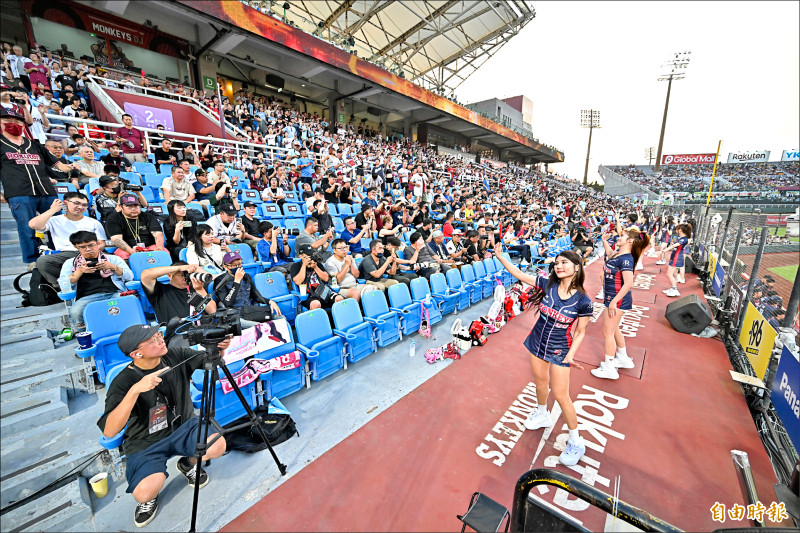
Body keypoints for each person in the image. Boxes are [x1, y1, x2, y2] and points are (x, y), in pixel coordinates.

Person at [97, 324, 230, 528]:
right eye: (152, 340)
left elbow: (210, 363)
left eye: (158, 335)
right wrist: (134, 391)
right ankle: (150, 498)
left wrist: (219, 348)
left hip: (183, 425)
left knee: (217, 445)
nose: (160, 339)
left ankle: (188, 463)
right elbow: (110, 430)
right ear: (137, 353)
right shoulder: (123, 381)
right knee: (144, 492)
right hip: (146, 441)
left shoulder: (175, 354)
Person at [495, 248, 593, 467]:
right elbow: (520, 275)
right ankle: (542, 414)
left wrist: (571, 354)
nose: (559, 266)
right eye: (557, 263)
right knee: (540, 381)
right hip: (537, 341)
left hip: (560, 349)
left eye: (564, 263)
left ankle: (576, 441)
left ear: (576, 267)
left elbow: (580, 331)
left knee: (561, 394)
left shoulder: (583, 301)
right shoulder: (547, 284)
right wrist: (501, 257)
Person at [1, 107, 74, 269]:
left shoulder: (34, 145)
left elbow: (59, 165)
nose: (13, 124)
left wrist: (72, 167)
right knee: (26, 227)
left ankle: (61, 252)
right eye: (8, 121)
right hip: (19, 192)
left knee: (56, 223)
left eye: (17, 121)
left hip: (46, 191)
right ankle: (32, 259)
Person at [591, 226, 649, 380]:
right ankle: (622, 358)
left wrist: (614, 302)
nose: (618, 237)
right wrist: (604, 241)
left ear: (629, 241)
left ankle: (609, 367)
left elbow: (629, 283)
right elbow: (610, 255)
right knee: (614, 329)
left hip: (617, 299)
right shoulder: (619, 254)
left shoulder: (626, 259)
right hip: (612, 297)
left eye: (622, 235)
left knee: (607, 332)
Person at [58, 230, 133, 328]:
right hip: (86, 297)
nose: (88, 249)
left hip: (114, 293)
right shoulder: (70, 263)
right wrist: (79, 271)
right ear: (76, 247)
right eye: (82, 247)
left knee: (130, 302)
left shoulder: (113, 259)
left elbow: (129, 277)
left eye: (91, 245)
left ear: (98, 243)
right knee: (75, 312)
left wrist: (113, 267)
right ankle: (86, 337)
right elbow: (64, 284)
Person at [28, 192, 107, 285]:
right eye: (76, 203)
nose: (81, 207)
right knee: (43, 261)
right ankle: (62, 286)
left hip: (89, 251)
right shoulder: (54, 220)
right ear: (65, 203)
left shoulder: (93, 222)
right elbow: (33, 225)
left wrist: (90, 250)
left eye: (84, 205)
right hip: (65, 254)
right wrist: (52, 210)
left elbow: (101, 243)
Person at [211, 251, 281, 328]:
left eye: (240, 264)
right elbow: (227, 303)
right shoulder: (220, 280)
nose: (238, 267)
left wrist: (270, 301)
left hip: (249, 311)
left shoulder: (246, 276)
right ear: (225, 266)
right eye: (234, 265)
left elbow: (255, 296)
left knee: (281, 320)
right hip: (234, 316)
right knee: (260, 328)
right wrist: (236, 281)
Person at [104, 193, 166, 260]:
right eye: (129, 206)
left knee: (164, 253)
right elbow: (117, 239)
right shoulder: (113, 218)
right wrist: (131, 251)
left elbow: (158, 234)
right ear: (121, 207)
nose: (134, 209)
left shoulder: (148, 216)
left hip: (149, 246)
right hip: (127, 248)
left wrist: (159, 248)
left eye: (136, 206)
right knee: (125, 256)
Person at [290, 243, 345, 310]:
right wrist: (304, 265)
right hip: (308, 295)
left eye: (312, 254)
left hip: (322, 291)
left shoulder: (317, 264)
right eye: (308, 255)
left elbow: (326, 278)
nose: (311, 257)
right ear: (301, 256)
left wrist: (315, 267)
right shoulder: (296, 266)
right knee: (316, 304)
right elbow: (298, 281)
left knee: (339, 299)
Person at [662, 223, 691, 298]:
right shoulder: (682, 238)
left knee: (669, 274)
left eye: (678, 229)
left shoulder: (684, 239)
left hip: (677, 258)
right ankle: (672, 287)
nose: (677, 230)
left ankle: (674, 289)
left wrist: (663, 251)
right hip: (675, 256)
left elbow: (674, 246)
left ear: (680, 230)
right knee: (674, 274)